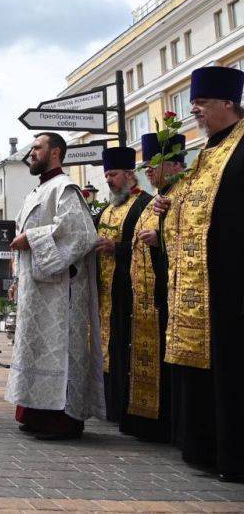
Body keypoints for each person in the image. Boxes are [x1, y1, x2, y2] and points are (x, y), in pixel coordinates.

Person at [155, 66, 244, 482]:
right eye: (194, 107)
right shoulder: (205, 154)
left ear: (228, 103)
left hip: (232, 279)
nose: (196, 113)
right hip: (201, 281)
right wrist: (167, 213)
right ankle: (205, 449)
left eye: (202, 105)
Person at [6, 132, 104, 441]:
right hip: (37, 290)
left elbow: (80, 234)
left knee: (56, 352)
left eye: (37, 148)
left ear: (56, 153)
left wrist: (30, 239)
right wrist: (18, 279)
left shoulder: (65, 189)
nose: (31, 153)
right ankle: (34, 414)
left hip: (59, 295)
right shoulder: (39, 191)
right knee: (35, 349)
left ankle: (60, 421)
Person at [125, 132, 185, 443]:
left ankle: (169, 426)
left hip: (172, 296)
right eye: (146, 166)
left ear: (174, 165)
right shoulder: (153, 202)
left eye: (153, 165)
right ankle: (151, 423)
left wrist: (158, 239)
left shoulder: (176, 195)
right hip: (145, 299)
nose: (148, 171)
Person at [93, 147, 152, 423]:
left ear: (130, 175)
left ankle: (124, 408)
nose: (108, 180)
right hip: (106, 292)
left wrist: (116, 248)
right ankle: (108, 405)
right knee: (107, 347)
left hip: (131, 293)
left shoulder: (145, 205)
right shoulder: (106, 210)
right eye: (106, 174)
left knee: (123, 348)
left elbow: (151, 247)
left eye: (113, 174)